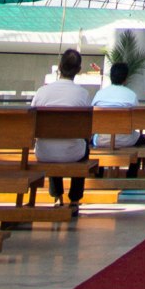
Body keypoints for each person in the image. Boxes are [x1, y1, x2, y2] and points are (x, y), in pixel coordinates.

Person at [31, 49, 92, 211]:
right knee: (84, 145)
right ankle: (75, 199)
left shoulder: (41, 92)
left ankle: (57, 196)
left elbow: (30, 121)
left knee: (51, 139)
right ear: (78, 70)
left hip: (44, 153)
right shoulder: (83, 94)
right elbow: (87, 128)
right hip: (73, 153)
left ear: (59, 67)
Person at [91, 62, 143, 165]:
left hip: (101, 140)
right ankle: (131, 175)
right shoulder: (131, 95)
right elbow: (138, 119)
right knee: (141, 140)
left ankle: (99, 172)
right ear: (125, 78)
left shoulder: (100, 94)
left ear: (111, 76)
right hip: (126, 140)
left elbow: (91, 115)